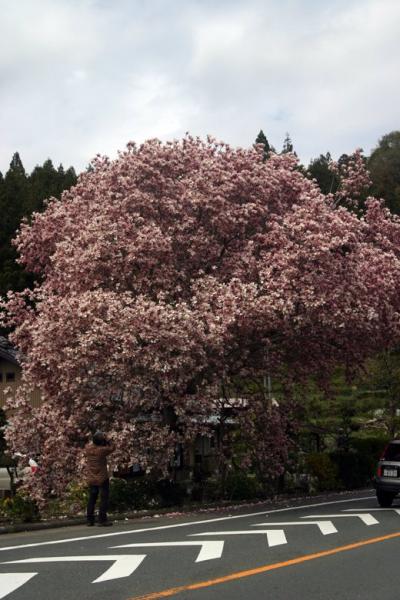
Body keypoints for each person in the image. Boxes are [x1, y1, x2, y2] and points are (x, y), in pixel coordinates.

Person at [84, 431, 115, 526]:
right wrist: (109, 440)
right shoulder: (101, 450)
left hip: (92, 477)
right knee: (104, 498)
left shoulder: (88, 448)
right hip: (102, 477)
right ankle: (102, 519)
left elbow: (91, 442)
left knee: (92, 498)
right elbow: (112, 448)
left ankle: (90, 520)